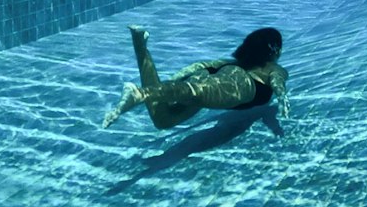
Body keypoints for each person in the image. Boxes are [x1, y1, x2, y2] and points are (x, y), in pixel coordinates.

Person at [103, 25, 288, 130]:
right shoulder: (274, 68)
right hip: (243, 86)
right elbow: (277, 82)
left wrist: (171, 82)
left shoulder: (232, 62)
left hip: (210, 76)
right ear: (276, 50)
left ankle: (140, 45)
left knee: (163, 120)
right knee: (194, 93)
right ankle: (140, 93)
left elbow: (201, 66)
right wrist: (282, 100)